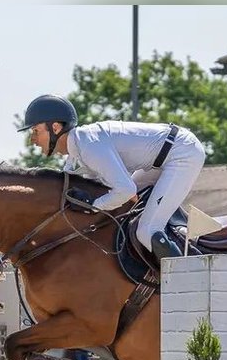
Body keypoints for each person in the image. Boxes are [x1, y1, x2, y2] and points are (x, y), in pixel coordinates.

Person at [18, 94, 207, 260]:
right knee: (127, 209)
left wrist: (93, 206)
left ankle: (192, 279)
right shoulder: (78, 151)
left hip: (183, 153)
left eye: (35, 131)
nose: (32, 140)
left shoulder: (89, 145)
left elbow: (126, 190)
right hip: (163, 157)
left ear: (56, 127)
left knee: (146, 231)